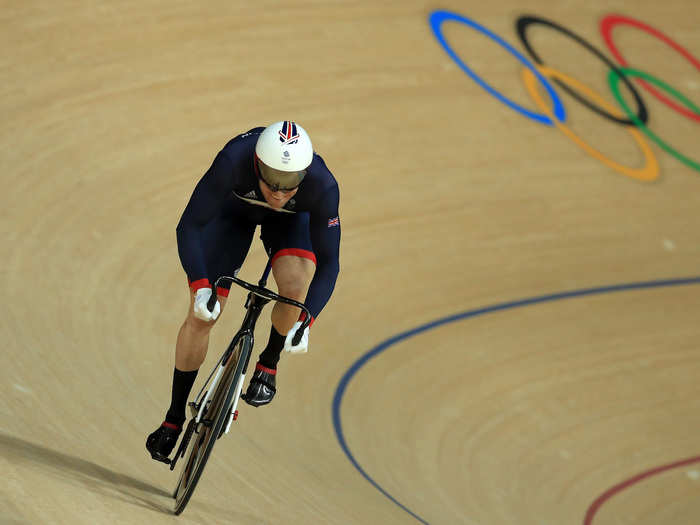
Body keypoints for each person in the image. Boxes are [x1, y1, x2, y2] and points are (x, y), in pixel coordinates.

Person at [146, 121, 341, 463]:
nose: (280, 194)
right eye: (272, 181)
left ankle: (269, 362)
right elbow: (189, 225)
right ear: (256, 166)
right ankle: (173, 419)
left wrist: (307, 320)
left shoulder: (323, 185)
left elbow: (330, 263)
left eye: (290, 184)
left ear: (304, 173)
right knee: (203, 315)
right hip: (232, 215)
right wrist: (200, 285)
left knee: (295, 286)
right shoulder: (232, 161)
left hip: (290, 225)